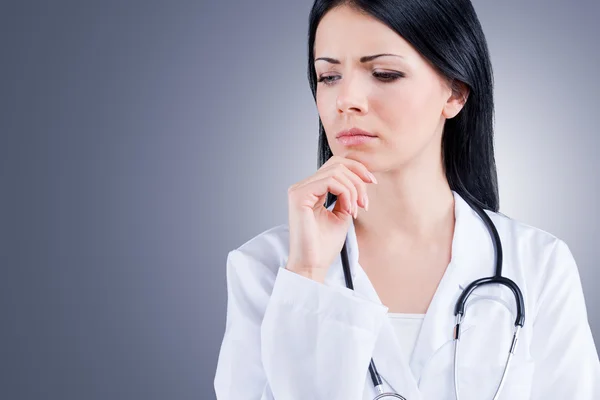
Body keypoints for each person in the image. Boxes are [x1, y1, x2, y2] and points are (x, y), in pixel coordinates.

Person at [214, 0, 600, 399]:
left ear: (455, 92)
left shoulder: (540, 265)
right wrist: (307, 275)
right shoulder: (267, 269)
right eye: (329, 76)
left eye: (384, 73)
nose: (347, 99)